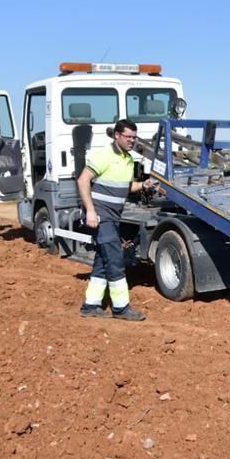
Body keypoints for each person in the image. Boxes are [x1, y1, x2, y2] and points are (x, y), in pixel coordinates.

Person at [77, 119, 155, 320]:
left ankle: (90, 305)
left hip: (113, 217)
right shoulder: (104, 155)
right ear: (117, 136)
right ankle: (121, 308)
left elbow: (125, 187)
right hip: (101, 216)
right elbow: (83, 179)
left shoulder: (128, 159)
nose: (131, 141)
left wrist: (143, 185)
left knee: (103, 261)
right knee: (115, 259)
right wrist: (91, 211)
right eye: (128, 137)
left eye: (134, 137)